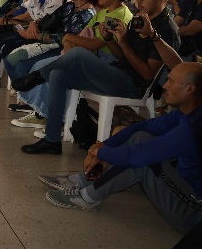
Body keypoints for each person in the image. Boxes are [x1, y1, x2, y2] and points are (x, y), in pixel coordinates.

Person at [14, 0, 181, 155]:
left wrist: (127, 43)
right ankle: (52, 140)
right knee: (58, 75)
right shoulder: (140, 20)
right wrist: (112, 39)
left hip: (133, 84)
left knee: (79, 54)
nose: (139, 1)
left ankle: (38, 75)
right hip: (118, 72)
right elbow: (121, 56)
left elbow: (147, 74)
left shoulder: (165, 29)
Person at [37, 61, 201, 234]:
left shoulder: (193, 128)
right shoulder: (186, 113)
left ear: (190, 90)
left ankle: (87, 197)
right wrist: (103, 146)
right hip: (185, 186)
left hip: (194, 212)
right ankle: (85, 180)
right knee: (139, 137)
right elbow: (140, 128)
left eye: (171, 81)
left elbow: (136, 156)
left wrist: (100, 152)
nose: (165, 86)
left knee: (143, 162)